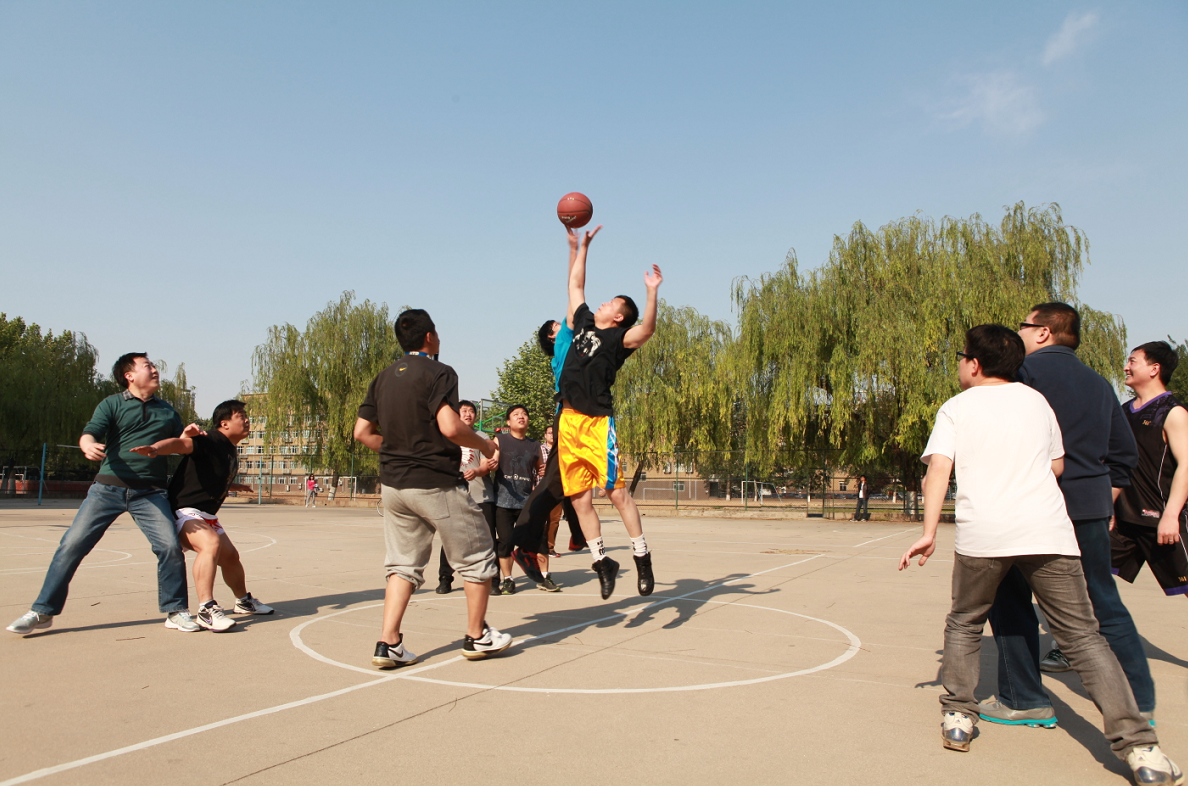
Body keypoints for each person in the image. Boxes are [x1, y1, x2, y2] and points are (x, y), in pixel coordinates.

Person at [898, 325, 1180, 784]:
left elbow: (939, 472)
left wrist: (929, 532)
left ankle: (958, 715)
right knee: (1083, 638)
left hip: (984, 535)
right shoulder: (1037, 402)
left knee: (965, 621)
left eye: (962, 357)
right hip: (1048, 532)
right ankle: (1140, 748)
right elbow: (1057, 465)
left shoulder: (956, 407)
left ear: (974, 364)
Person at [981, 303, 1153, 728]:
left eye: (1023, 326)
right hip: (1089, 509)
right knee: (1102, 601)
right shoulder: (1099, 383)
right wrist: (1100, 499)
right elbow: (1123, 454)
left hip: (1032, 508)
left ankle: (1024, 698)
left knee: (1010, 596)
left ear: (1043, 332)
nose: (1019, 333)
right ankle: (1138, 703)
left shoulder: (1022, 377)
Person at [354, 309, 511, 668]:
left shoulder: (383, 377)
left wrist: (397, 452)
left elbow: (362, 432)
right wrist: (487, 446)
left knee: (403, 564)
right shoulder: (439, 372)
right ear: (429, 337)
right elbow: (450, 427)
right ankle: (477, 636)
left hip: (394, 486)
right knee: (477, 556)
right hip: (434, 482)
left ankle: (388, 643)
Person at [8, 353, 198, 635]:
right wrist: (87, 444)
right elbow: (91, 432)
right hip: (107, 489)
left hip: (151, 492)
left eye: (154, 366)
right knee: (71, 545)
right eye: (147, 366)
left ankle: (176, 611)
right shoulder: (112, 404)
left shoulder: (167, 411)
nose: (155, 370)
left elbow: (181, 445)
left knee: (170, 547)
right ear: (129, 375)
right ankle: (42, 611)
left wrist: (187, 436)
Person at [557, 225, 662, 599]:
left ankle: (642, 556)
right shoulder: (584, 321)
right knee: (578, 499)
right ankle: (602, 562)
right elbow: (575, 285)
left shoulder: (619, 339)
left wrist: (651, 292)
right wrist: (581, 247)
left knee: (616, 494)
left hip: (597, 423)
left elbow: (646, 329)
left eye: (611, 303)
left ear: (619, 317)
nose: (602, 303)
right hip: (568, 421)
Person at [128, 399, 275, 632]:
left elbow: (210, 477)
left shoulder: (229, 449)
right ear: (224, 423)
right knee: (210, 544)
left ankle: (243, 601)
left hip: (205, 514)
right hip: (184, 510)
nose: (247, 421)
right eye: (241, 416)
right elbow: (180, 444)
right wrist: (156, 448)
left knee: (230, 557)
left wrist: (234, 486)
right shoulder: (210, 440)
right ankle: (206, 609)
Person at [1112, 340, 1188, 598]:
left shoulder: (1172, 412)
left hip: (1163, 519)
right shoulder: (1123, 412)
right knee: (1085, 572)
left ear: (1154, 369)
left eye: (1132, 361)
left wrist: (1171, 515)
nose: (1126, 367)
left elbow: (1186, 465)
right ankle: (1089, 627)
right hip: (1124, 521)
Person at [435, 400, 497, 595]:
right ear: (456, 415)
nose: (468, 414)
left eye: (471, 411)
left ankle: (493, 579)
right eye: (464, 411)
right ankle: (445, 578)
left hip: (482, 495)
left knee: (487, 539)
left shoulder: (481, 437)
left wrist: (477, 471)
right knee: (451, 539)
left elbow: (486, 464)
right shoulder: (447, 435)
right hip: (453, 495)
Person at [491, 405, 544, 593]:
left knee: (533, 541)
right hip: (503, 502)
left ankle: (542, 576)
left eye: (524, 414)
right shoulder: (500, 439)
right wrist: (492, 464)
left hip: (526, 503)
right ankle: (508, 579)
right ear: (508, 421)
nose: (521, 417)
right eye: (516, 414)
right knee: (505, 542)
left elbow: (540, 468)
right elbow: (494, 460)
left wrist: (543, 470)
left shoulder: (535, 445)